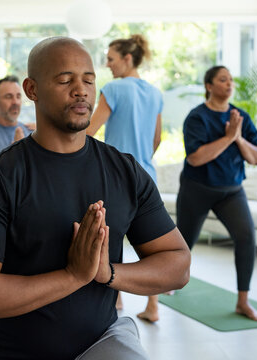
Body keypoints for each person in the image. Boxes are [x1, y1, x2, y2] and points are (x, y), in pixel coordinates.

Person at [0, 37, 191, 360]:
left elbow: (178, 265)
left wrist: (109, 274)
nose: (81, 90)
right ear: (32, 90)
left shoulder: (125, 172)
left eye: (89, 80)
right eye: (65, 80)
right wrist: (72, 276)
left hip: (98, 345)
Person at [177, 65, 257, 321]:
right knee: (183, 243)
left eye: (231, 80)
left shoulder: (241, 118)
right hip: (197, 190)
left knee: (246, 237)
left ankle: (243, 301)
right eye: (222, 80)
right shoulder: (197, 117)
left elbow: (256, 157)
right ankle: (168, 283)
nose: (229, 84)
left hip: (231, 192)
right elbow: (195, 158)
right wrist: (228, 138)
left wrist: (237, 137)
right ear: (209, 85)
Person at [86, 34, 163, 321]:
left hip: (115, 176)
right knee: (151, 245)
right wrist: (141, 159)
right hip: (147, 176)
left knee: (110, 236)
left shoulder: (114, 88)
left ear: (127, 59)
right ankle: (152, 306)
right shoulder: (154, 93)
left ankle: (115, 301)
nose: (107, 65)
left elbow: (89, 130)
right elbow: (157, 138)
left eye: (111, 59)